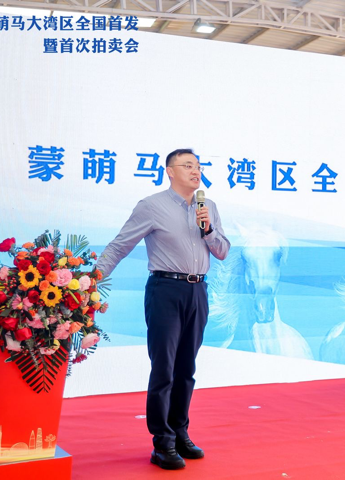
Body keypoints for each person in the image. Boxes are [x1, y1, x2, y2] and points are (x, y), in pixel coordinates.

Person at [96, 148, 230, 470]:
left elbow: (223, 251)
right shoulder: (151, 206)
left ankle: (181, 433)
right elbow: (120, 245)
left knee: (186, 369)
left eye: (198, 166)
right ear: (170, 171)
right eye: (188, 166)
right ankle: (162, 442)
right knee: (164, 369)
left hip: (198, 291)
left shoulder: (208, 207)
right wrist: (91, 280)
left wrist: (208, 229)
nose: (196, 171)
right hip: (165, 290)